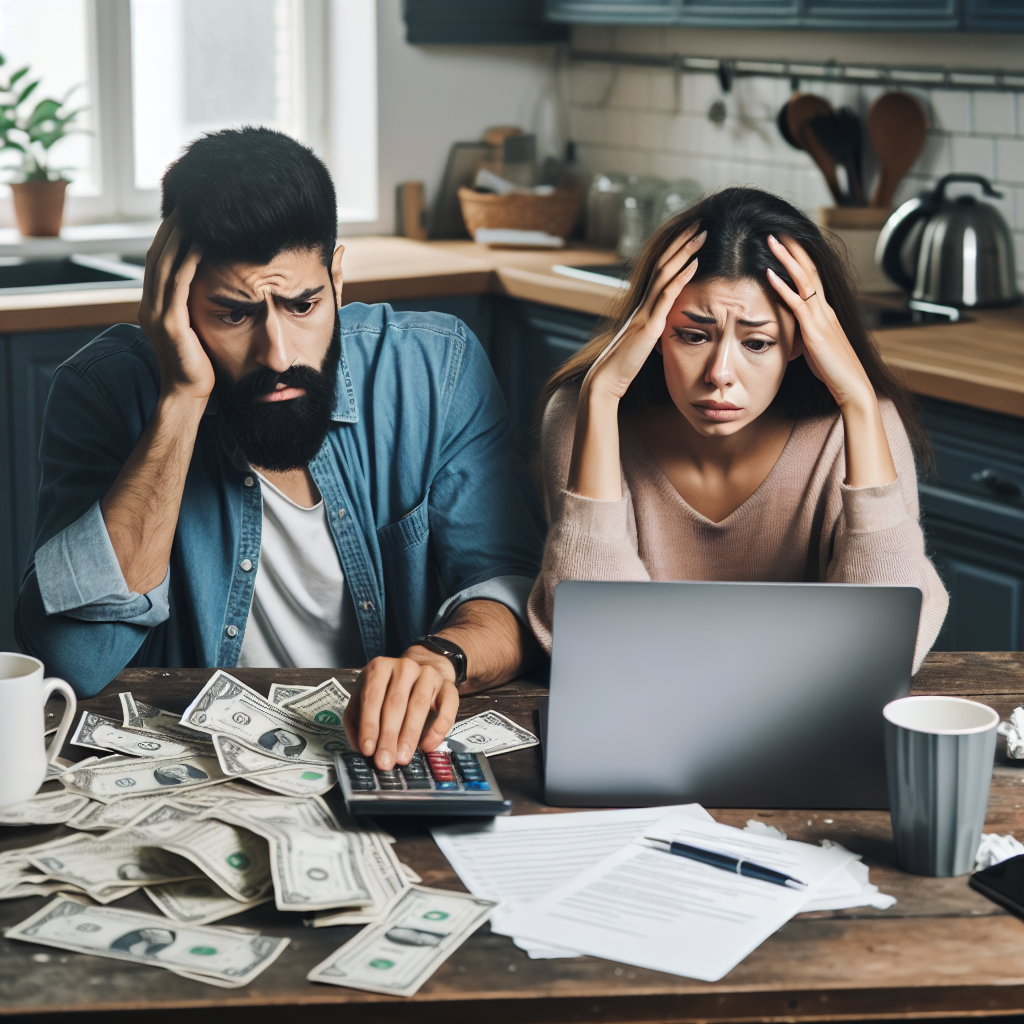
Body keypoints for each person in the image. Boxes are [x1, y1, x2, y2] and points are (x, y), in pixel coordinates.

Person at [18, 127, 545, 769]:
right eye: (235, 314)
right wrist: (181, 399)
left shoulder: (437, 368)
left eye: (303, 304)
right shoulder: (102, 389)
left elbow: (510, 590)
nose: (279, 354)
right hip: (203, 772)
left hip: (381, 762)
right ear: (176, 305)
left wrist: (443, 657)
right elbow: (77, 659)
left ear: (338, 279)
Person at [529, 187, 947, 672]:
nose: (719, 373)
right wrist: (600, 396)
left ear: (801, 343)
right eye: (692, 335)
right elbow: (598, 648)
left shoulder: (855, 428)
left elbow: (886, 648)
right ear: (654, 332)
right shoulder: (582, 415)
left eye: (757, 342)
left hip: (807, 719)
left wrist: (858, 399)